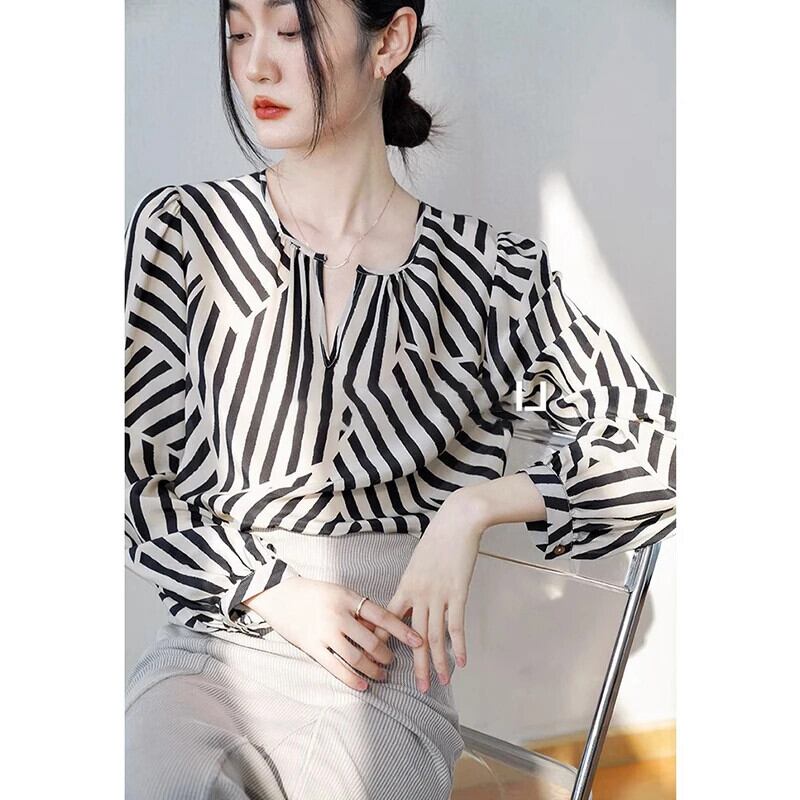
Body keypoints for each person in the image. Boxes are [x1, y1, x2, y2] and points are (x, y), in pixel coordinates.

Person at [124, 1, 677, 798]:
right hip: (213, 645)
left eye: (292, 31)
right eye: (238, 32)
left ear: (389, 40)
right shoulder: (186, 232)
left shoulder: (491, 279)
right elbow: (137, 480)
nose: (254, 65)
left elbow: (665, 450)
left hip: (380, 676)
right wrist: (270, 588)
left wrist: (472, 508)